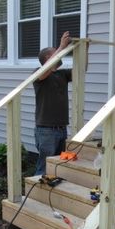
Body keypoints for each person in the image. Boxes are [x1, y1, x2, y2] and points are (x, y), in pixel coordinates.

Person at [33, 31, 72, 176]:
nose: (60, 53)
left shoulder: (62, 74)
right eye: (55, 52)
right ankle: (36, 193)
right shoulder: (38, 73)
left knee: (58, 166)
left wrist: (85, 50)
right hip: (46, 130)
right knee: (44, 167)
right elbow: (44, 73)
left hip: (61, 128)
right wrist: (62, 46)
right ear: (48, 58)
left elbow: (82, 70)